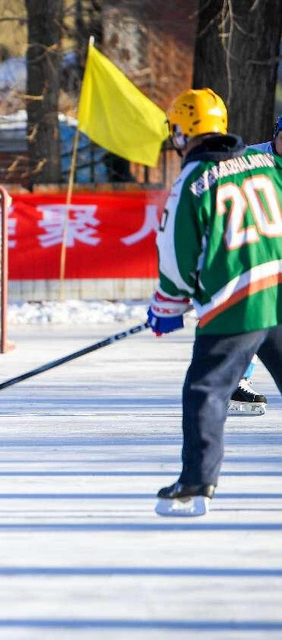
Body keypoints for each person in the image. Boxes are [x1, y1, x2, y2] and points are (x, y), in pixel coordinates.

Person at [148, 88, 282, 517]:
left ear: (182, 132)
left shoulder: (192, 181)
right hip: (278, 290)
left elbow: (175, 253)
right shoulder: (265, 162)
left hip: (238, 303)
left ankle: (195, 484)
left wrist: (167, 307)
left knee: (205, 391)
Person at [229, 114, 282, 416]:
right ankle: (236, 379)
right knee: (251, 317)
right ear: (275, 135)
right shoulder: (249, 159)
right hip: (250, 252)